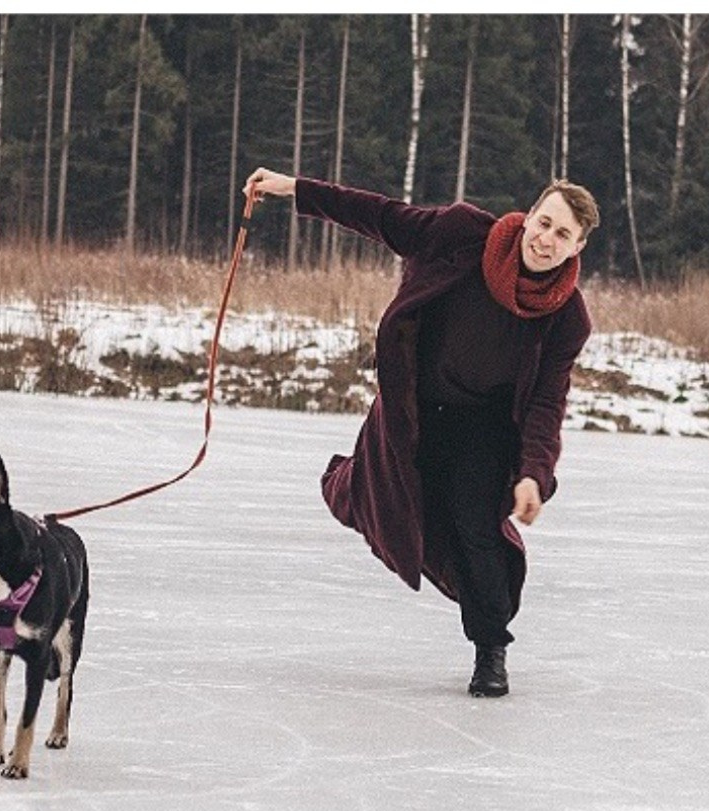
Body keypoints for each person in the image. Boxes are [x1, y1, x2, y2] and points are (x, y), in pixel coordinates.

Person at [242, 163, 597, 697]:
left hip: (486, 427)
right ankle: (349, 481)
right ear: (528, 218)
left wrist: (533, 475)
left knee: (476, 530)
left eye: (563, 235)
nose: (547, 240)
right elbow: (379, 215)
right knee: (386, 496)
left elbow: (548, 403)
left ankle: (490, 650)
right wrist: (296, 189)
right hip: (417, 406)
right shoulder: (461, 235)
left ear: (577, 249)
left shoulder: (567, 318)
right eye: (544, 223)